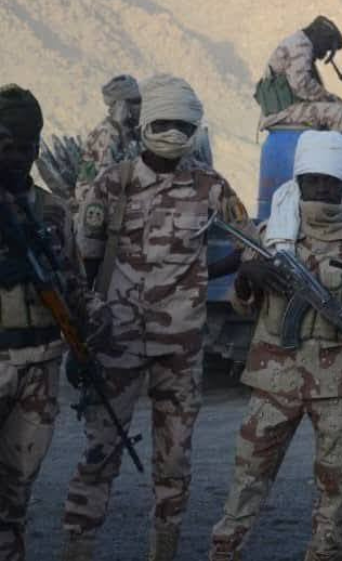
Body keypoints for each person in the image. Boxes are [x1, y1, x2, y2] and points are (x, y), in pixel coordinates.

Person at [61, 74, 251, 561]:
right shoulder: (114, 183)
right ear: (146, 123)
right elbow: (82, 264)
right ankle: (77, 548)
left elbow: (250, 244)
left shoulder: (210, 185)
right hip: (116, 341)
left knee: (175, 462)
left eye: (182, 126)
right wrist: (86, 326)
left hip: (181, 348)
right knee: (100, 454)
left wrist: (204, 272)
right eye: (164, 123)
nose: (173, 133)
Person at [208, 131, 342, 561]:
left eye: (330, 183)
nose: (321, 190)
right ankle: (226, 551)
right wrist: (248, 277)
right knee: (249, 477)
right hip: (275, 377)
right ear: (299, 181)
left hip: (337, 384)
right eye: (312, 181)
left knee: (336, 485)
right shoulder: (273, 235)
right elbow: (242, 306)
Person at [0, 85, 100, 561]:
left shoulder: (53, 211)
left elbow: (74, 284)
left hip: (40, 366)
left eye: (28, 147)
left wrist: (92, 327)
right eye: (10, 146)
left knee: (15, 495)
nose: (20, 157)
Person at [257, 16, 342, 134]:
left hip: (288, 108)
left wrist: (336, 101)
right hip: (283, 112)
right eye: (326, 47)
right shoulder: (300, 47)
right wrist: (334, 101)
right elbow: (302, 86)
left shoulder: (299, 43)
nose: (324, 53)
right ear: (320, 38)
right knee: (340, 114)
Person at [75, 75, 142, 198]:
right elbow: (105, 180)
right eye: (136, 101)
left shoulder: (127, 129)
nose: (141, 105)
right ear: (121, 105)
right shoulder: (107, 134)